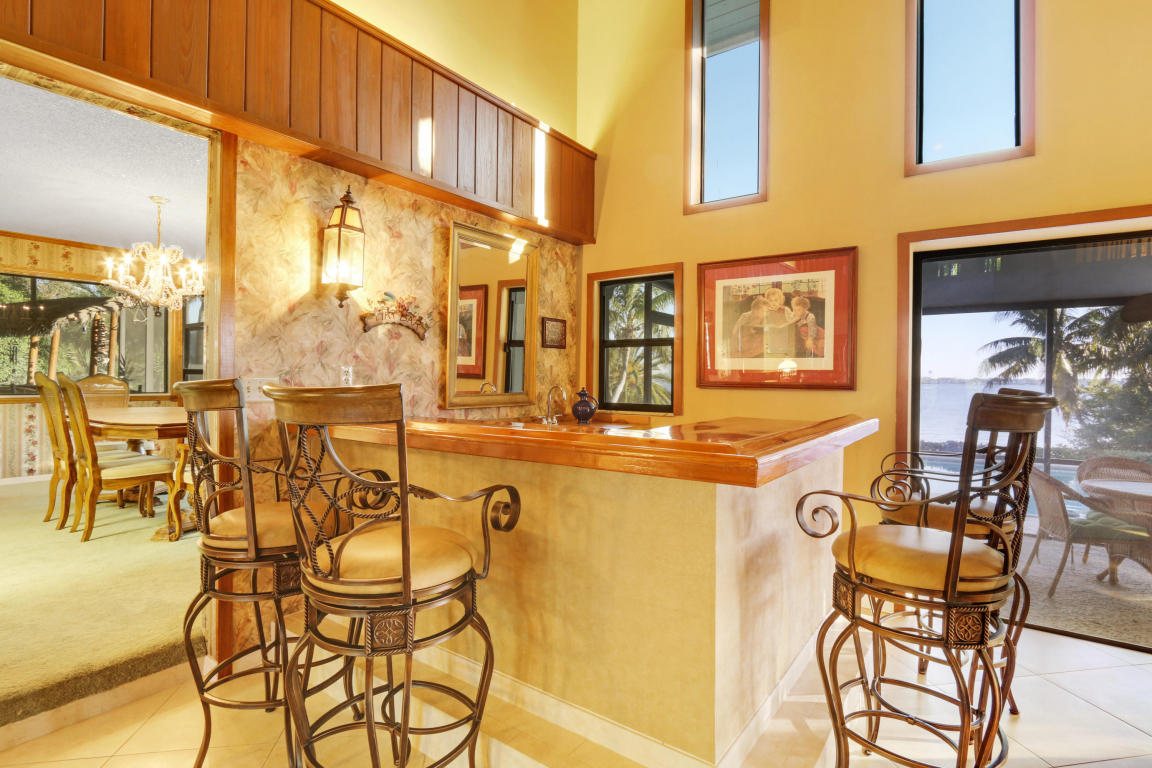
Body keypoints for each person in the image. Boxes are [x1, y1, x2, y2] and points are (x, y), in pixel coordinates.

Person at [730, 288, 794, 357]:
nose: (773, 303)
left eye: (776, 300)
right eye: (770, 300)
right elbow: (755, 314)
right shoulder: (761, 312)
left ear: (781, 301)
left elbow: (792, 319)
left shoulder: (785, 310)